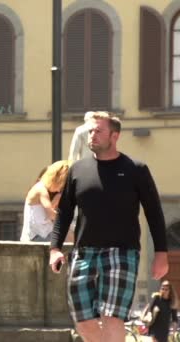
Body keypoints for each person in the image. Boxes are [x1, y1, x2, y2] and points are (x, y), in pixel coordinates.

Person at [49, 111, 168, 342]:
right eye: (90, 131)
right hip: (83, 254)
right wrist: (55, 248)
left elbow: (154, 212)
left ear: (115, 136)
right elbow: (64, 213)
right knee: (82, 320)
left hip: (122, 253)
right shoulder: (78, 170)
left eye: (98, 131)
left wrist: (161, 253)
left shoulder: (136, 169)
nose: (91, 136)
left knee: (112, 316)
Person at [20, 160, 70, 242]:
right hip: (36, 237)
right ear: (56, 178)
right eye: (61, 184)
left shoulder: (42, 189)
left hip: (42, 235)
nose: (59, 190)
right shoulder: (40, 190)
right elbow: (52, 215)